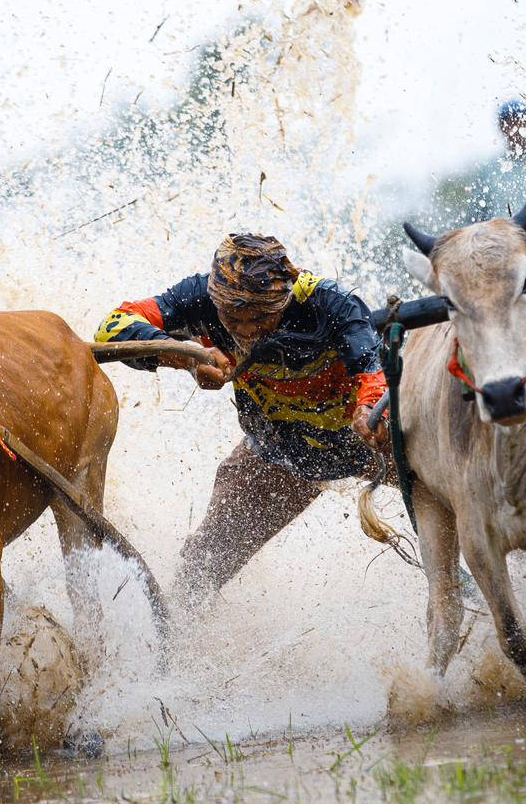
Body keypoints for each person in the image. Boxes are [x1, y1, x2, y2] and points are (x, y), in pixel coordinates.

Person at [94, 233, 387, 603]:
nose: (247, 329)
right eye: (233, 317)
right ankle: (174, 648)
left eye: (263, 317)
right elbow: (112, 327)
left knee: (464, 503)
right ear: (216, 301)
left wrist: (369, 411)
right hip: (280, 455)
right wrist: (187, 357)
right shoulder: (198, 298)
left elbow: (371, 371)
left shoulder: (333, 304)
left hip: (369, 440)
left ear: (285, 299)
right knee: (199, 568)